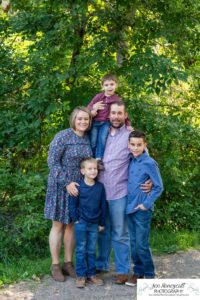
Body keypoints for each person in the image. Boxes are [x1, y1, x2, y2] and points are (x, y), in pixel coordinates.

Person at [96, 100, 152, 284]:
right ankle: (101, 264)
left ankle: (122, 270)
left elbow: (145, 157)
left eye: (120, 113)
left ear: (125, 115)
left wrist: (150, 179)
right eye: (113, 113)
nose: (116, 116)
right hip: (100, 190)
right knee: (103, 230)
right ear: (109, 114)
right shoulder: (102, 131)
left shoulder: (129, 135)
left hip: (120, 191)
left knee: (120, 232)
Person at [44, 106, 93, 282]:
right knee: (58, 225)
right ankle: (55, 265)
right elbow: (52, 162)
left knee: (72, 225)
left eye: (86, 119)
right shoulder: (62, 136)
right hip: (60, 186)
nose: (82, 122)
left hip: (79, 187)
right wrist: (66, 183)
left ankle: (68, 263)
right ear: (73, 119)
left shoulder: (88, 138)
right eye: (79, 118)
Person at [125, 130, 163, 286]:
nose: (135, 148)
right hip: (130, 208)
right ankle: (138, 272)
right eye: (132, 144)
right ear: (128, 145)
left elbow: (158, 187)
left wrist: (146, 204)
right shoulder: (131, 160)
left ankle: (149, 275)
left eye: (139, 145)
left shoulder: (149, 162)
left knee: (141, 244)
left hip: (142, 210)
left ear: (144, 145)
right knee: (133, 244)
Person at [69, 158, 107, 288]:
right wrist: (76, 219)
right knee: (81, 249)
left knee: (91, 250)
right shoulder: (78, 186)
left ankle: (91, 275)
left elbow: (103, 205)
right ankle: (81, 276)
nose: (93, 171)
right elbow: (72, 204)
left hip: (95, 223)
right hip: (81, 223)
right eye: (90, 169)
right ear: (83, 171)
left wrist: (102, 223)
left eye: (95, 168)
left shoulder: (100, 187)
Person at [87, 74, 130, 168]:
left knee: (102, 140)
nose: (109, 87)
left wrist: (128, 124)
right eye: (106, 85)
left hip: (106, 123)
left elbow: (123, 113)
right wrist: (93, 109)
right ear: (102, 87)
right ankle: (91, 158)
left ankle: (98, 159)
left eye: (112, 84)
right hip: (95, 122)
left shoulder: (117, 99)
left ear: (116, 85)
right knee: (93, 141)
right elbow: (89, 106)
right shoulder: (98, 97)